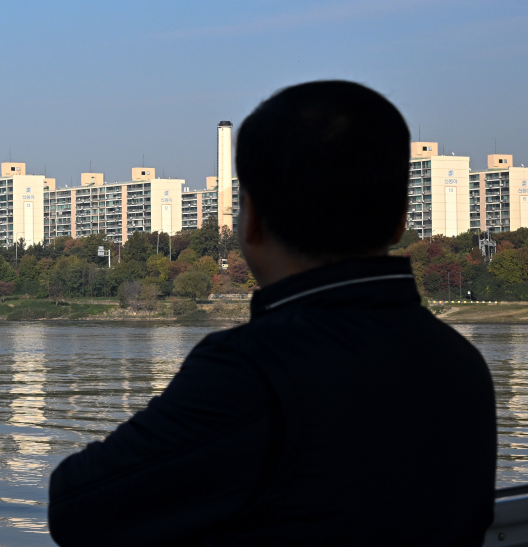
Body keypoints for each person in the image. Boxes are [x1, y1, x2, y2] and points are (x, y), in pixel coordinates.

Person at [48, 80, 495, 545]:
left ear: (252, 219)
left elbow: (75, 506)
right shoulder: (462, 365)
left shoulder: (251, 369)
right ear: (404, 217)